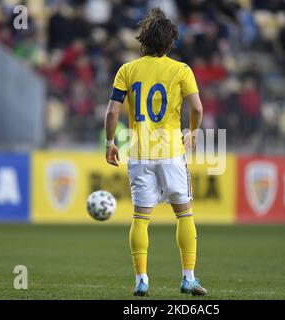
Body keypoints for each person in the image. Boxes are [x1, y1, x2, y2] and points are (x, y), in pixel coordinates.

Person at [104, 8, 206, 296]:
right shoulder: (182, 70)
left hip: (139, 152)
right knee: (184, 214)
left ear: (142, 39)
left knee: (140, 217)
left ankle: (141, 281)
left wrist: (110, 143)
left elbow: (113, 111)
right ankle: (188, 278)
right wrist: (194, 132)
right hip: (171, 151)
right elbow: (197, 108)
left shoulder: (127, 70)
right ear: (170, 42)